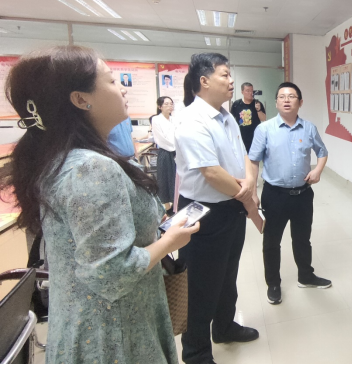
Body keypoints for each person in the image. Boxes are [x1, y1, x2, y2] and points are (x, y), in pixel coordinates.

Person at [0, 46, 200, 364]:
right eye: (111, 81)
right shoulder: (89, 167)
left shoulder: (69, 158)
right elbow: (112, 273)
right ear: (81, 99)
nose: (122, 88)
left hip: (98, 321)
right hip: (112, 331)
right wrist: (170, 241)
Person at [174, 53, 262, 364]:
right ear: (204, 80)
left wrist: (250, 186)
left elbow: (244, 156)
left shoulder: (227, 115)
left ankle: (224, 327)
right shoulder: (191, 120)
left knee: (227, 274)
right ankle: (196, 353)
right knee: (200, 285)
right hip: (204, 213)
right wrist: (246, 195)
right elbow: (210, 172)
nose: (231, 80)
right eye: (224, 74)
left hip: (231, 207)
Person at [249, 82, 331, 306]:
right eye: (282, 96)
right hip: (274, 195)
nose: (286, 100)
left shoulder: (309, 128)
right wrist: (253, 192)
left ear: (300, 102)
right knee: (271, 241)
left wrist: (318, 170)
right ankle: (273, 283)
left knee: (302, 238)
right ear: (276, 102)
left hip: (303, 195)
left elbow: (322, 152)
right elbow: (253, 161)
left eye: (292, 96)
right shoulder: (264, 129)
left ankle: (306, 276)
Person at [152, 96, 177, 214]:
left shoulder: (174, 119)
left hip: (177, 153)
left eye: (171, 103)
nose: (170, 106)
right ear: (160, 106)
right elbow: (161, 139)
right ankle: (167, 207)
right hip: (165, 152)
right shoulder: (156, 119)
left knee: (175, 179)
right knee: (165, 179)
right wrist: (174, 146)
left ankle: (175, 204)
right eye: (166, 104)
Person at [230, 82, 265, 153]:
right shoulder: (236, 104)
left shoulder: (258, 103)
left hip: (255, 137)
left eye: (252, 91)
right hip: (240, 137)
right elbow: (231, 120)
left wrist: (258, 110)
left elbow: (263, 119)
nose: (250, 93)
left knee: (254, 157)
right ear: (242, 92)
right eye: (247, 91)